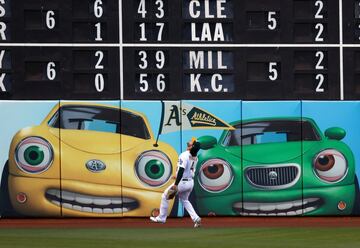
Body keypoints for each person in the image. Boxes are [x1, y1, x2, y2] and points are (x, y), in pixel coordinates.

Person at [150, 137, 202, 228]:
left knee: (165, 196)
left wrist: (176, 184)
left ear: (192, 146)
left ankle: (161, 218)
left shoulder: (184, 155)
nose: (188, 142)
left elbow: (181, 169)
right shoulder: (195, 157)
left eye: (190, 142)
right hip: (190, 183)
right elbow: (188, 171)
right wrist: (177, 176)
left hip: (181, 184)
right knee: (185, 200)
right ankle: (196, 218)